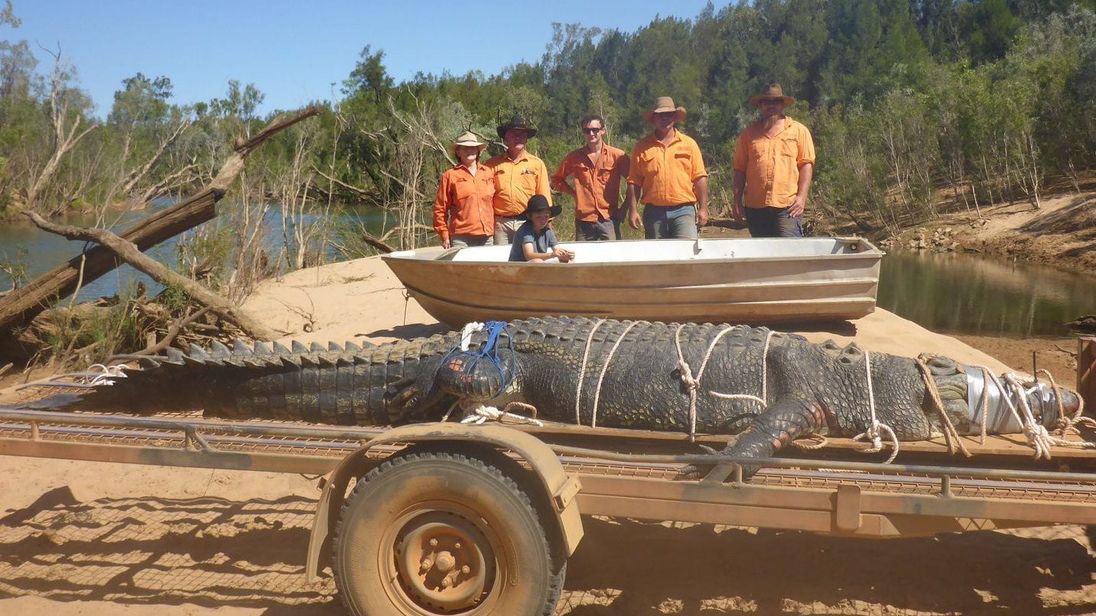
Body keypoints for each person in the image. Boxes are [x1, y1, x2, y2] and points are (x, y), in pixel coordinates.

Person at [732, 83, 816, 238]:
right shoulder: (747, 135)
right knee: (763, 255)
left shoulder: (798, 131)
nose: (771, 105)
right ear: (760, 105)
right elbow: (739, 170)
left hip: (788, 206)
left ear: (782, 105)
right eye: (766, 102)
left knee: (789, 253)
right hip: (756, 208)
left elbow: (806, 164)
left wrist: (802, 197)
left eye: (775, 101)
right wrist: (737, 201)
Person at [622, 97, 709, 239]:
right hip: (654, 213)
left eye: (668, 114)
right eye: (660, 115)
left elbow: (700, 178)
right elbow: (634, 182)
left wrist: (703, 208)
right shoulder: (642, 147)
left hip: (684, 211)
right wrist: (633, 210)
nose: (664, 118)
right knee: (658, 257)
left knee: (686, 254)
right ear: (654, 118)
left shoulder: (689, 144)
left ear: (675, 117)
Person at [550, 114, 629, 241]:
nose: (591, 133)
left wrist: (625, 208)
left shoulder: (618, 156)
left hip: (609, 217)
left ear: (603, 130)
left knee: (612, 257)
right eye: (587, 131)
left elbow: (634, 182)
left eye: (595, 130)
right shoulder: (574, 157)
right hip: (584, 219)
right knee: (584, 257)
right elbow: (556, 179)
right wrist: (574, 193)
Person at [486, 114, 552, 245]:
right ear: (505, 138)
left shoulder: (537, 164)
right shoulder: (491, 164)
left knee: (529, 260)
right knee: (503, 261)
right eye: (513, 134)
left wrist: (547, 223)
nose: (518, 138)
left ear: (527, 139)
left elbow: (544, 195)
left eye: (522, 134)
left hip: (528, 222)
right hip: (501, 224)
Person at [432, 130, 495, 248]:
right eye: (465, 148)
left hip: (487, 237)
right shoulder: (450, 176)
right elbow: (440, 209)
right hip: (461, 238)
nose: (469, 150)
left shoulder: (488, 173)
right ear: (458, 152)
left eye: (473, 148)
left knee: (487, 267)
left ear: (478, 151)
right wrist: (444, 235)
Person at [509, 195, 574, 263]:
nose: (543, 221)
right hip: (517, 268)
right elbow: (529, 255)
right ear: (529, 216)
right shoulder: (525, 230)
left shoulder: (547, 230)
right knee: (537, 262)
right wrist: (551, 254)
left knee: (569, 262)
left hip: (534, 267)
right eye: (538, 217)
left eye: (546, 217)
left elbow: (557, 249)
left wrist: (565, 255)